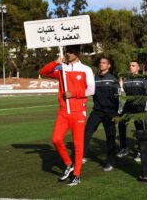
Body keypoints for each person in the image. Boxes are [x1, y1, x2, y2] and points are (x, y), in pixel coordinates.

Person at [40, 45, 95, 186]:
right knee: (56, 139)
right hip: (64, 111)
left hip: (78, 111)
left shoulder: (86, 69)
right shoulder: (62, 69)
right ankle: (68, 164)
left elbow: (91, 90)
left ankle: (76, 175)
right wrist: (56, 63)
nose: (68, 54)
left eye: (71, 51)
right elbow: (44, 71)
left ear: (78, 53)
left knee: (78, 145)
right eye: (67, 51)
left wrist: (74, 94)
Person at [83, 57, 120, 172]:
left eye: (104, 63)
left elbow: (118, 98)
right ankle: (82, 155)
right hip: (97, 111)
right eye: (100, 63)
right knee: (87, 131)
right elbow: (89, 92)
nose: (101, 64)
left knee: (110, 136)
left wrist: (117, 113)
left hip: (110, 113)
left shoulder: (113, 80)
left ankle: (110, 160)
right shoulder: (94, 79)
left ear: (109, 66)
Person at [117, 61, 147, 162]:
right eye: (130, 66)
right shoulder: (126, 80)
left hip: (140, 106)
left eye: (133, 66)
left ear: (138, 68)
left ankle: (140, 151)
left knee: (139, 127)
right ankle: (123, 148)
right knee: (121, 123)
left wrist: (146, 108)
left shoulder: (143, 80)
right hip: (129, 105)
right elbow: (125, 94)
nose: (130, 67)